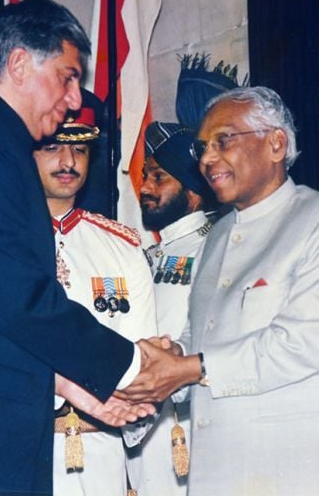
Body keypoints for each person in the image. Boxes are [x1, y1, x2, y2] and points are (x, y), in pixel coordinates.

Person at [0, 0, 154, 496]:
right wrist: (132, 365)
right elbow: (15, 296)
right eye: (66, 76)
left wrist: (72, 385)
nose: (75, 97)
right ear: (19, 64)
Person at [124, 86, 319, 495]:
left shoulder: (312, 222)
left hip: (287, 469)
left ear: (276, 144)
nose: (208, 158)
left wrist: (191, 367)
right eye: (203, 148)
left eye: (223, 140)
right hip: (212, 471)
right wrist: (172, 354)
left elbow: (303, 343)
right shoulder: (217, 237)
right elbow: (203, 335)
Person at [33, 108, 157, 496]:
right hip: (21, 443)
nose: (68, 162)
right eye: (52, 147)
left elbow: (142, 358)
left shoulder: (120, 247)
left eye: (80, 150)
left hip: (100, 447)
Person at [128, 121, 217, 496]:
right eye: (146, 175)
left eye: (159, 177)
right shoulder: (144, 255)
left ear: (194, 192)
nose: (144, 188)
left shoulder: (214, 248)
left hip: (191, 425)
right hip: (140, 424)